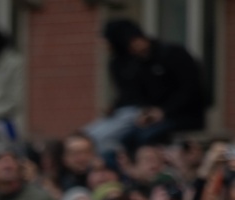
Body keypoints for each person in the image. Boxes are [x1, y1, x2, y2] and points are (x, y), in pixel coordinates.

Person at [86, 19, 207, 155]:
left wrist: (164, 111)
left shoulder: (172, 54)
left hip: (183, 115)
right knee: (123, 140)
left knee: (144, 138)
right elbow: (136, 95)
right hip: (151, 116)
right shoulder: (136, 63)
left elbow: (190, 89)